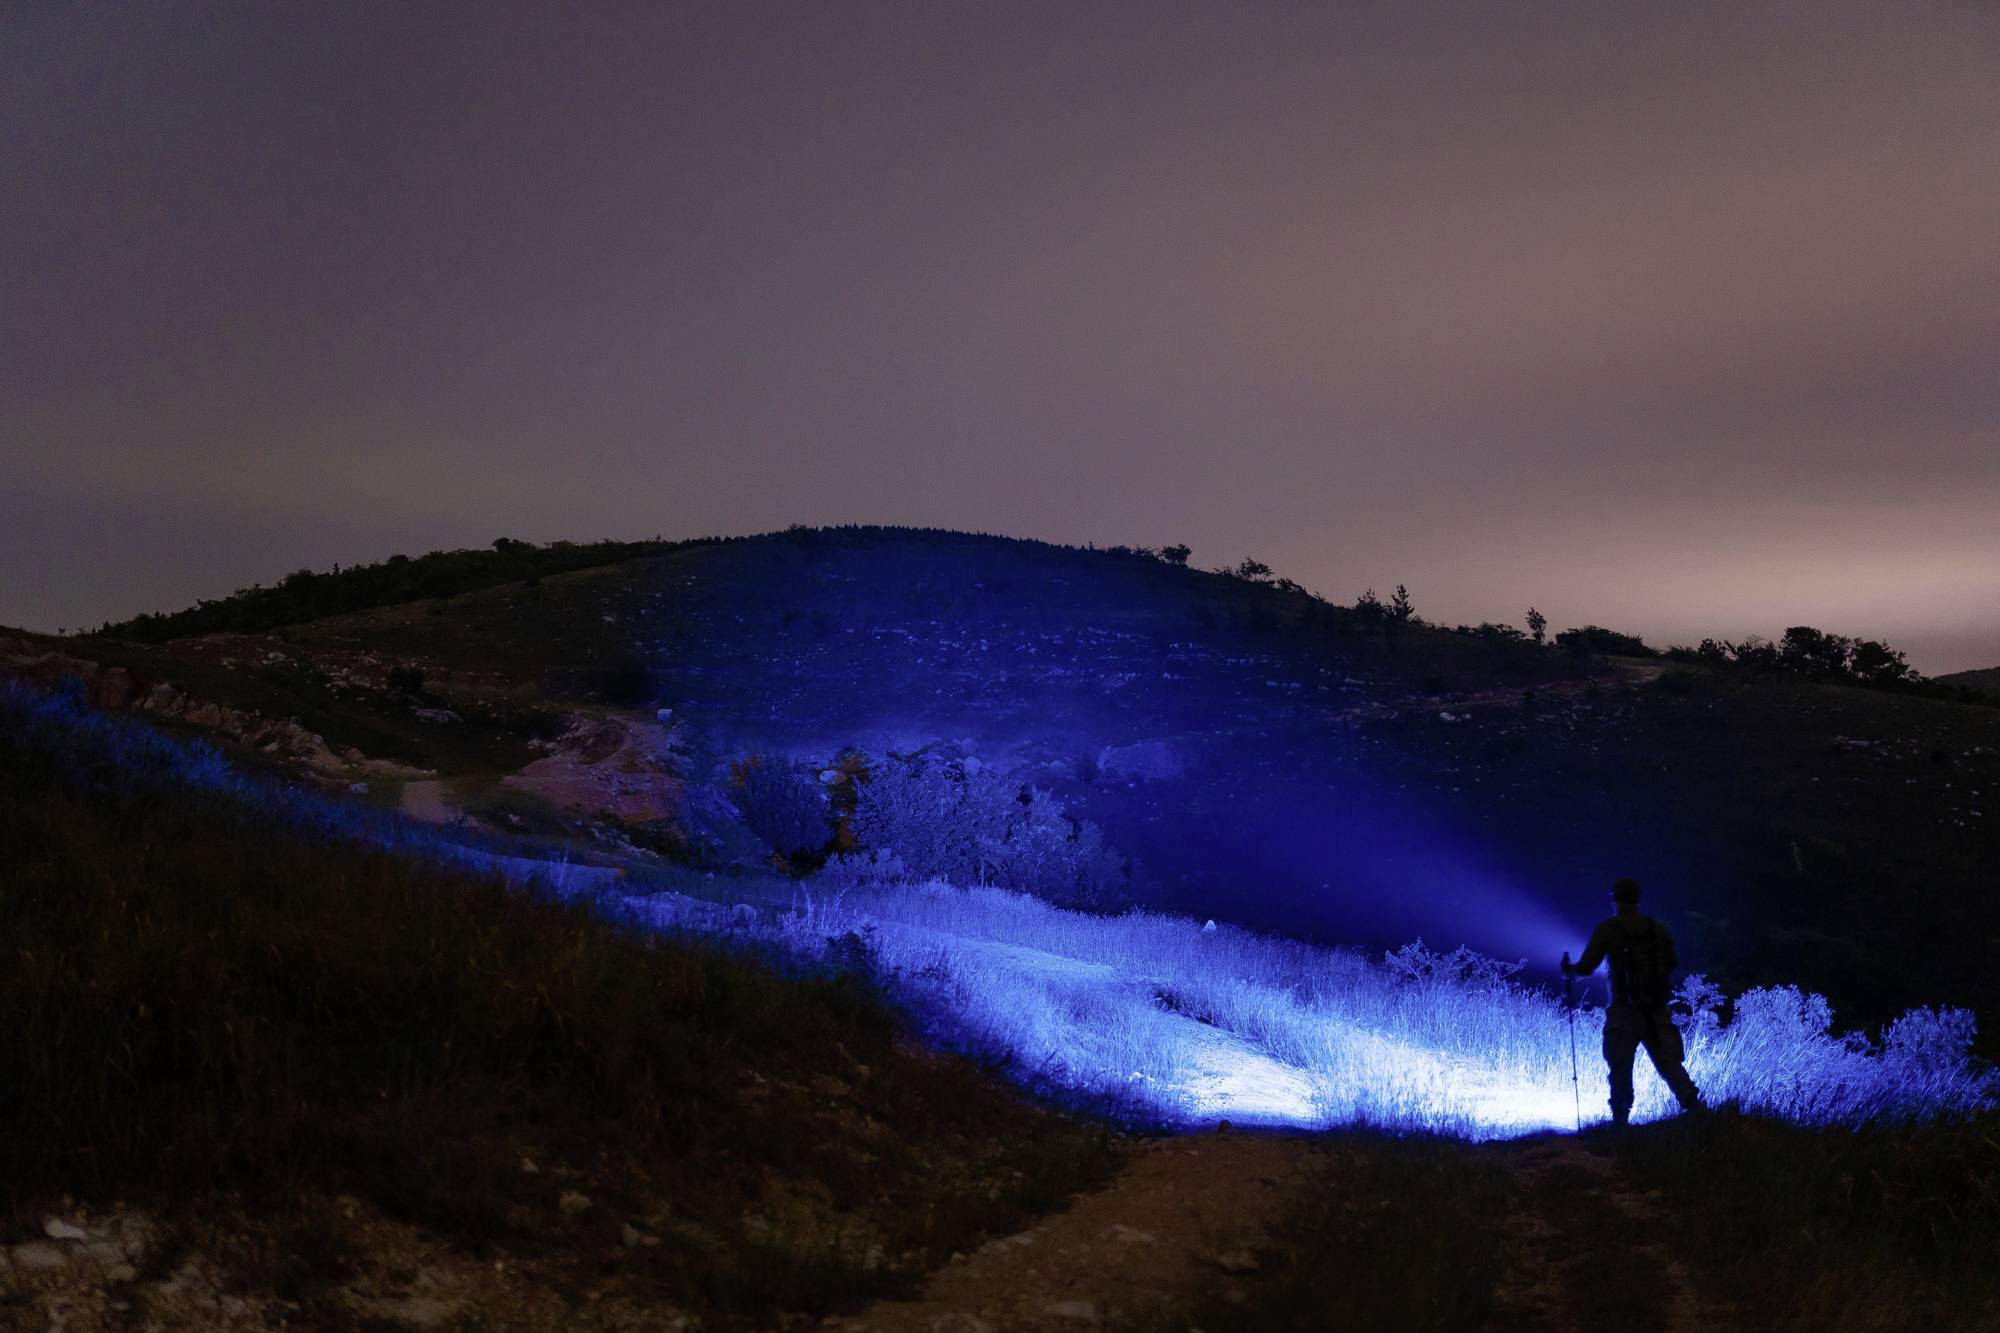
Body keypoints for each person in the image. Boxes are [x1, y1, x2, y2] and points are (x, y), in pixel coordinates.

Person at [1562, 877, 1704, 1126]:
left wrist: (1568, 970)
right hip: (1657, 1009)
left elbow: (1586, 967)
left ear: (1615, 899)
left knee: (1620, 1065)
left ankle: (1620, 1123)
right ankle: (1698, 1111)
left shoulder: (1608, 930)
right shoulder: (1657, 929)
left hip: (1624, 1011)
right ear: (1638, 898)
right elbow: (1672, 962)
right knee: (1669, 1063)